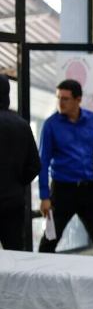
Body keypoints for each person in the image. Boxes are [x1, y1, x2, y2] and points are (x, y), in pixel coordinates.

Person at [38, 79, 93, 256]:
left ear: (78, 100)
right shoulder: (51, 124)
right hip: (61, 191)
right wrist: (44, 196)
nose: (60, 102)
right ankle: (37, 281)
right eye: (58, 97)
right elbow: (42, 163)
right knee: (49, 241)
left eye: (65, 98)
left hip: (88, 190)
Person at [0, 74, 40, 250]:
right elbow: (34, 165)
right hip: (13, 203)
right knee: (15, 257)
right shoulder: (21, 124)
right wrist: (17, 182)